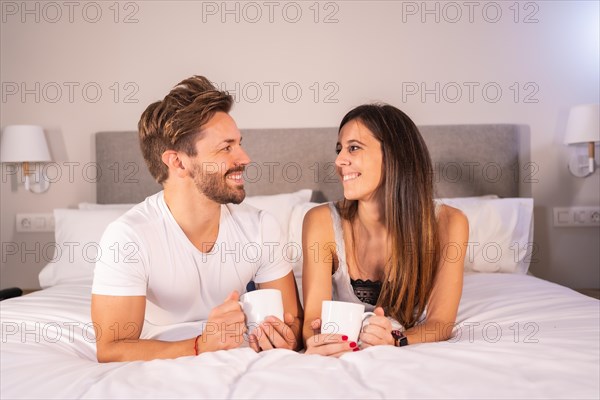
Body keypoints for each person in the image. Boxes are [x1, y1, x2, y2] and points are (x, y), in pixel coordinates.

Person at [91, 76, 303, 362]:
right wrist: (201, 344)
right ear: (178, 162)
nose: (245, 158)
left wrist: (287, 336)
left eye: (239, 144)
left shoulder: (261, 227)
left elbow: (293, 324)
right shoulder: (129, 236)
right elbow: (112, 348)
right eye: (226, 148)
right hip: (159, 370)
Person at [302, 104, 468, 356]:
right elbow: (311, 322)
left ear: (393, 156)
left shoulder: (449, 224)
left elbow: (440, 324)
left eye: (353, 148)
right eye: (339, 149)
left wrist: (395, 340)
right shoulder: (320, 221)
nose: (338, 161)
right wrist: (317, 339)